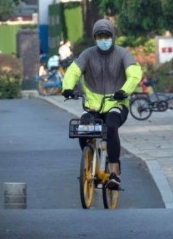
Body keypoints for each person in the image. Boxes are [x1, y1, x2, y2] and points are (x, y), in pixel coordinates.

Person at [61, 19, 142, 190]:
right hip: (92, 106)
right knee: (82, 128)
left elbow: (134, 73)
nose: (103, 39)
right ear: (95, 37)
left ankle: (114, 171)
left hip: (116, 104)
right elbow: (73, 71)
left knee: (111, 125)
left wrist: (125, 90)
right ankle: (89, 160)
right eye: (99, 36)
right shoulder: (87, 55)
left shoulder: (123, 54)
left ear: (113, 36)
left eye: (106, 36)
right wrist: (67, 88)